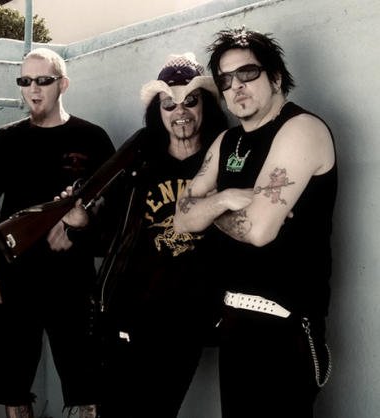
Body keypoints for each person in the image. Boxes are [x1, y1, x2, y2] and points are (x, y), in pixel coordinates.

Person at [173, 27, 337, 417]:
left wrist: (206, 210)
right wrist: (225, 199)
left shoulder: (301, 129)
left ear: (276, 77)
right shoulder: (226, 142)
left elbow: (258, 231)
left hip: (284, 326)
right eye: (225, 80)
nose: (236, 86)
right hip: (234, 319)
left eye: (247, 73)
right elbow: (180, 220)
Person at [0, 47, 115, 418]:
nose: (33, 89)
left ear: (63, 84)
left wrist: (81, 226)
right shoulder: (5, 139)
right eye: (25, 81)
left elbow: (114, 210)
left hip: (73, 281)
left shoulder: (92, 138)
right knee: (11, 385)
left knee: (88, 383)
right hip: (14, 279)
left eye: (43, 81)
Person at [90, 52, 228, 418]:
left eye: (190, 101)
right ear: (159, 112)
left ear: (206, 105)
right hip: (131, 312)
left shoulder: (223, 163)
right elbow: (108, 233)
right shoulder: (139, 166)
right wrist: (77, 222)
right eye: (169, 104)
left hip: (187, 318)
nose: (180, 112)